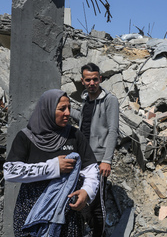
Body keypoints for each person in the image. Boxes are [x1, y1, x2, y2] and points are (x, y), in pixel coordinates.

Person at [4, 89, 100, 236]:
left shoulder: (74, 135)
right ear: (47, 109)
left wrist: (86, 192)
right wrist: (53, 167)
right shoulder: (26, 137)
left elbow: (91, 168)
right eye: (62, 109)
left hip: (68, 215)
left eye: (69, 108)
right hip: (32, 209)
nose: (68, 113)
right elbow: (10, 171)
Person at [71, 62, 119, 236]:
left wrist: (107, 160)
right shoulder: (86, 100)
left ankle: (100, 234)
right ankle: (92, 230)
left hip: (99, 159)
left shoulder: (109, 100)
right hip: (83, 157)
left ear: (100, 79)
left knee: (98, 203)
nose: (92, 83)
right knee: (84, 199)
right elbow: (84, 120)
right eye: (88, 80)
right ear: (82, 81)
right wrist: (66, 108)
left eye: (95, 79)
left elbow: (113, 130)